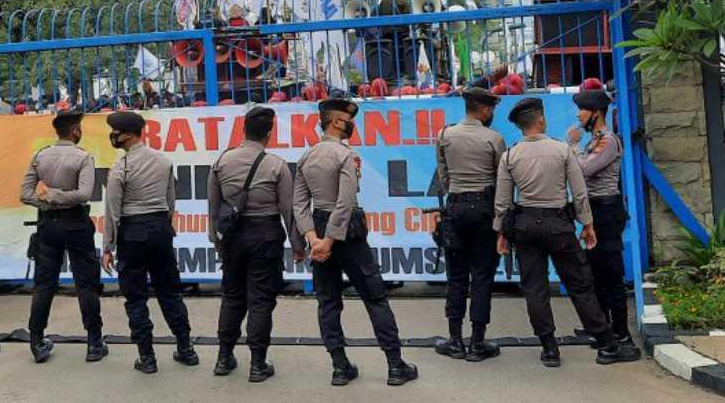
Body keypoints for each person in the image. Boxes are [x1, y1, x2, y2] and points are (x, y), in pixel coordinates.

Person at [494, 98, 640, 367]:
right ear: (541, 121)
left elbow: (503, 201)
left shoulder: (511, 155)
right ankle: (607, 344)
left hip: (525, 225)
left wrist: (501, 232)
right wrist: (587, 224)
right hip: (558, 225)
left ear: (520, 126)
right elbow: (580, 191)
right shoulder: (562, 151)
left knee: (535, 289)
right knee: (581, 286)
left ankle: (549, 349)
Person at [293, 99, 417, 387]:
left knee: (327, 301)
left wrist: (314, 238)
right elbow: (346, 201)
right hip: (347, 234)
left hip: (321, 230)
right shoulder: (346, 155)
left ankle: (339, 367)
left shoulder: (307, 156)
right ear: (337, 122)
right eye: (350, 120)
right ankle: (395, 365)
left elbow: (299, 204)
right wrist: (329, 240)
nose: (353, 126)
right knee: (374, 297)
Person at [208, 106, 306, 382]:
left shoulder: (222, 161)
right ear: (269, 133)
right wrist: (298, 245)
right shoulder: (276, 165)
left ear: (243, 130)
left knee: (232, 296)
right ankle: (257, 364)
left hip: (233, 238)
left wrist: (216, 240)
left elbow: (213, 208)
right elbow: (289, 210)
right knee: (261, 299)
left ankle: (224, 358)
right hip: (266, 235)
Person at [101, 111, 199, 374]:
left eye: (115, 132)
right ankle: (186, 349)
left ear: (129, 134)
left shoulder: (121, 168)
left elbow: (112, 210)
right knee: (170, 292)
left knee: (135, 297)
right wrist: (162, 226)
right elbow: (170, 201)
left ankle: (147, 357)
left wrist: (107, 247)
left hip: (132, 233)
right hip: (160, 230)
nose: (113, 137)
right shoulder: (163, 161)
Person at [19, 110, 107, 364]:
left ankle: (36, 341)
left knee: (44, 283)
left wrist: (49, 200)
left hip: (48, 224)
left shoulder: (40, 156)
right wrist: (60, 198)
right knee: (85, 283)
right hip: (76, 224)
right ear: (75, 131)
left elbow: (25, 194)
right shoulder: (82, 158)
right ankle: (94, 343)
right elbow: (83, 195)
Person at [434, 87, 506, 362]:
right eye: (491, 110)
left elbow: (443, 177)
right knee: (482, 276)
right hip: (485, 209)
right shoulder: (494, 139)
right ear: (485, 109)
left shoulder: (445, 135)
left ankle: (454, 340)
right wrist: (500, 217)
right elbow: (502, 181)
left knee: (456, 276)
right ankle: (477, 342)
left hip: (455, 207)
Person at [566, 90, 640, 356]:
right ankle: (601, 328)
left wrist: (571, 147)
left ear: (595, 112)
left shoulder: (608, 141)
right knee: (595, 273)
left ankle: (622, 337)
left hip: (607, 214)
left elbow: (583, 170)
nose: (578, 114)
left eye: (582, 109)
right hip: (594, 212)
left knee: (611, 276)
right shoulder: (593, 140)